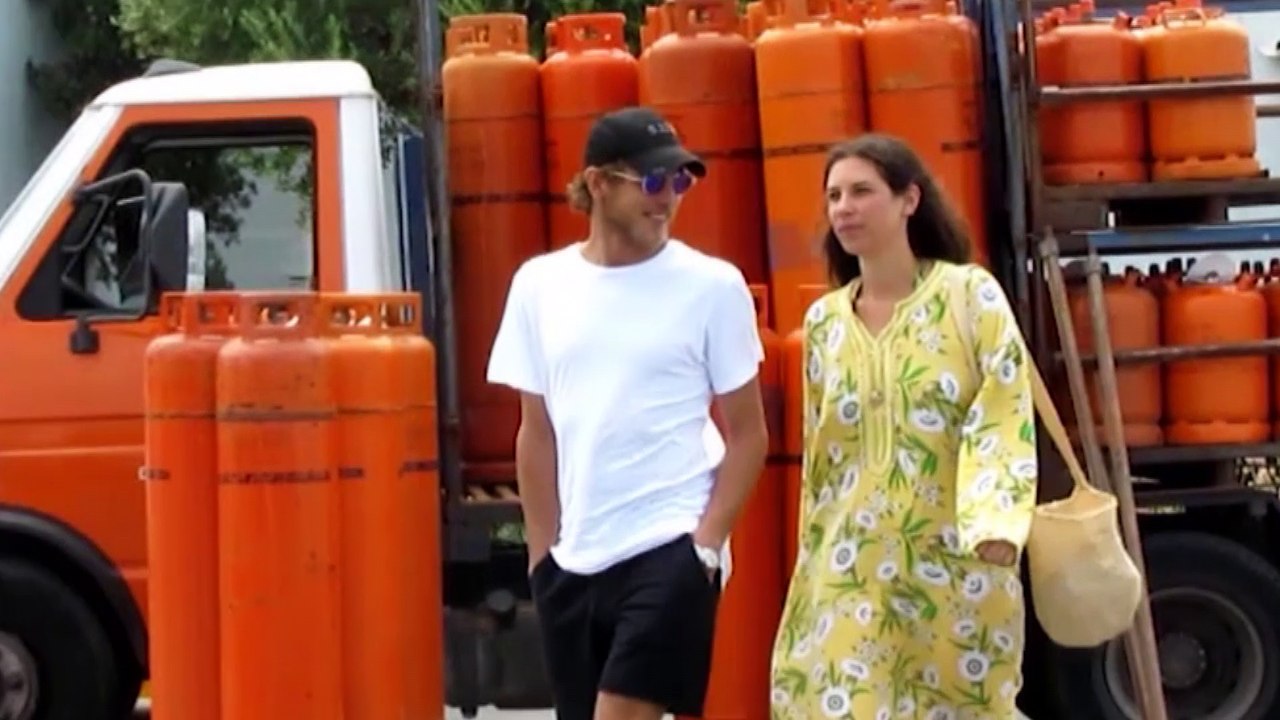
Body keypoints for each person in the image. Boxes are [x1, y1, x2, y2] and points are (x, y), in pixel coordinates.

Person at [486, 105, 769, 720]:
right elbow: (536, 433)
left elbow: (749, 434)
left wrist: (707, 546)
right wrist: (542, 559)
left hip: (671, 543)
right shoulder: (539, 285)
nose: (668, 197)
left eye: (680, 181)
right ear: (597, 184)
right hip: (574, 560)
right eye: (651, 181)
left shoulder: (713, 287)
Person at [769, 133, 1037, 720]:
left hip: (956, 563)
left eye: (862, 191)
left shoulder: (970, 298)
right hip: (850, 568)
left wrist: (996, 520)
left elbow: (1004, 411)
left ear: (909, 200)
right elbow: (821, 463)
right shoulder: (823, 324)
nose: (844, 207)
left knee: (963, 707)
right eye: (834, 195)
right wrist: (811, 567)